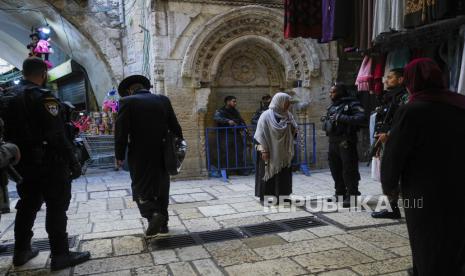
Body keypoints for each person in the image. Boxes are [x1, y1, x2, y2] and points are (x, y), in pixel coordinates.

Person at [2, 58, 89, 270]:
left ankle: (21, 251)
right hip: (49, 161)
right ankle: (61, 255)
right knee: (56, 206)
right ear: (43, 74)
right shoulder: (43, 97)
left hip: (22, 162)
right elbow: (56, 134)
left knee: (28, 204)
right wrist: (73, 160)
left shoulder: (7, 98)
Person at [381, 58, 465, 276]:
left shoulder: (411, 111)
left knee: (427, 235)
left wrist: (389, 185)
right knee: (455, 233)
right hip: (458, 183)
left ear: (410, 81)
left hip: (423, 188)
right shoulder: (460, 104)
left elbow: (394, 153)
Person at [115, 75, 183, 236]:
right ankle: (163, 224)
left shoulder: (127, 102)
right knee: (162, 186)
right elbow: (175, 127)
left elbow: (121, 132)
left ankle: (152, 214)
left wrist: (119, 155)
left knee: (140, 186)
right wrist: (178, 148)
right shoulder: (163, 100)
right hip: (163, 151)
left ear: (130, 90)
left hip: (139, 154)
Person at [371, 68, 408, 219]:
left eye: (390, 77)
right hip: (386, 140)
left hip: (398, 141)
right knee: (387, 174)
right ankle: (392, 208)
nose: (386, 80)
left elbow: (405, 122)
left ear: (401, 80)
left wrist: (390, 135)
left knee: (395, 174)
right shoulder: (389, 97)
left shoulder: (405, 97)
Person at [322, 83, 366, 207]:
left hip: (346, 141)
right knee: (335, 169)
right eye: (330, 92)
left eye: (333, 92)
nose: (331, 94)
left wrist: (340, 117)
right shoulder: (333, 106)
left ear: (341, 92)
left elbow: (361, 118)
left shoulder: (352, 104)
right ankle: (340, 193)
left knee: (349, 170)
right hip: (333, 141)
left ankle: (352, 195)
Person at [254, 92, 297, 205]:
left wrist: (291, 127)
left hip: (283, 152)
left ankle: (283, 196)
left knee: (284, 174)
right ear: (280, 102)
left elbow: (294, 132)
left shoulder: (288, 115)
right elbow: (259, 135)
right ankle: (267, 197)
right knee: (268, 172)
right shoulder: (266, 116)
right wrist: (263, 150)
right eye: (287, 103)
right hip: (268, 150)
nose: (288, 106)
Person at [213, 96, 249, 175]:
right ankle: (225, 171)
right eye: (234, 101)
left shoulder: (235, 111)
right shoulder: (221, 111)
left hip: (236, 134)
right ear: (228, 102)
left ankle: (240, 169)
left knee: (239, 151)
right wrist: (227, 121)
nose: (235, 103)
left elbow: (241, 120)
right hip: (226, 135)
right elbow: (216, 118)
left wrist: (244, 129)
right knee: (225, 153)